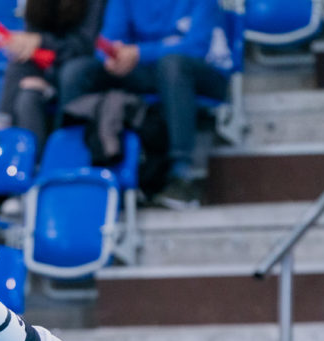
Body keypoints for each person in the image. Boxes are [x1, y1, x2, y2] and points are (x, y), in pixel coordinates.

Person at [60, 0, 228, 208]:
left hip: (203, 74)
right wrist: (113, 57)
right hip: (146, 69)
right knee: (77, 72)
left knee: (172, 65)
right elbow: (109, 39)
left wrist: (139, 53)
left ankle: (181, 175)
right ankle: (67, 170)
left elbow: (196, 47)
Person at [0, 0, 107, 154]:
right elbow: (33, 45)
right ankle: (0, 134)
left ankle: (61, 150)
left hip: (84, 70)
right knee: (26, 92)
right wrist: (21, 45)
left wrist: (40, 41)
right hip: (51, 69)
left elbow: (86, 46)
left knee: (71, 73)